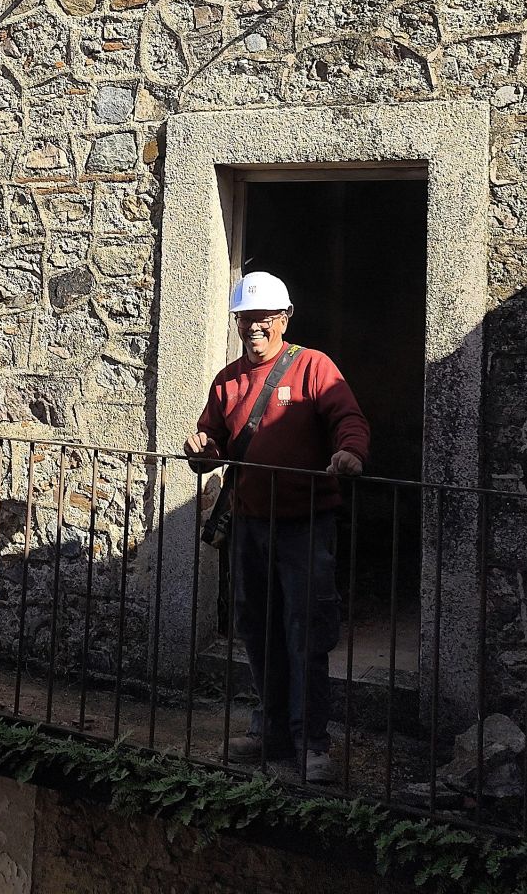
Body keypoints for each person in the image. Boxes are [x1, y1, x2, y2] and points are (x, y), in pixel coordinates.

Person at [183, 271, 369, 783]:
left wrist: (350, 452)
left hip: (306, 525)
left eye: (265, 319)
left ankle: (312, 741)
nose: (255, 329)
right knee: (258, 629)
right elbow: (211, 442)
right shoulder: (227, 380)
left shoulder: (314, 368)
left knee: (306, 630)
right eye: (247, 320)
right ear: (238, 323)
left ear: (284, 319)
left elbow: (348, 419)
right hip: (249, 525)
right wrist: (199, 449)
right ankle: (269, 729)